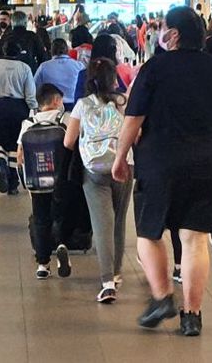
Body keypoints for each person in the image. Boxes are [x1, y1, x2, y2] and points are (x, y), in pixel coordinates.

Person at [113, 6, 212, 338]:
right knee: (194, 237)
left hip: (160, 162)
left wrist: (120, 156)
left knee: (149, 234)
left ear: (174, 34)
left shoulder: (154, 68)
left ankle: (162, 298)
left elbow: (134, 118)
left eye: (165, 28)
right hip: (207, 164)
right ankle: (192, 315)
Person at [65, 57, 131, 303]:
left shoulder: (82, 105)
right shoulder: (123, 103)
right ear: (113, 79)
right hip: (123, 165)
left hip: (93, 169)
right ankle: (116, 272)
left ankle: (107, 282)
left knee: (102, 223)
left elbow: (68, 141)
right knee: (119, 221)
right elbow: (137, 133)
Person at [22, 84, 72, 280]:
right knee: (61, 215)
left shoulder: (28, 123)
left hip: (36, 182)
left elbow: (20, 155)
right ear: (54, 101)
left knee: (40, 219)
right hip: (61, 179)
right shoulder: (64, 119)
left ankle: (43, 265)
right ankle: (61, 245)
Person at [0, 52, 37, 194]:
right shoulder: (25, 67)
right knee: (14, 144)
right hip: (19, 108)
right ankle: (12, 184)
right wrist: (34, 109)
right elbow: (30, 95)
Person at [33, 38, 82, 105]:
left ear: (51, 51)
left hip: (51, 105)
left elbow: (35, 87)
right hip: (74, 105)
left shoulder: (44, 67)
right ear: (67, 50)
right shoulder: (79, 65)